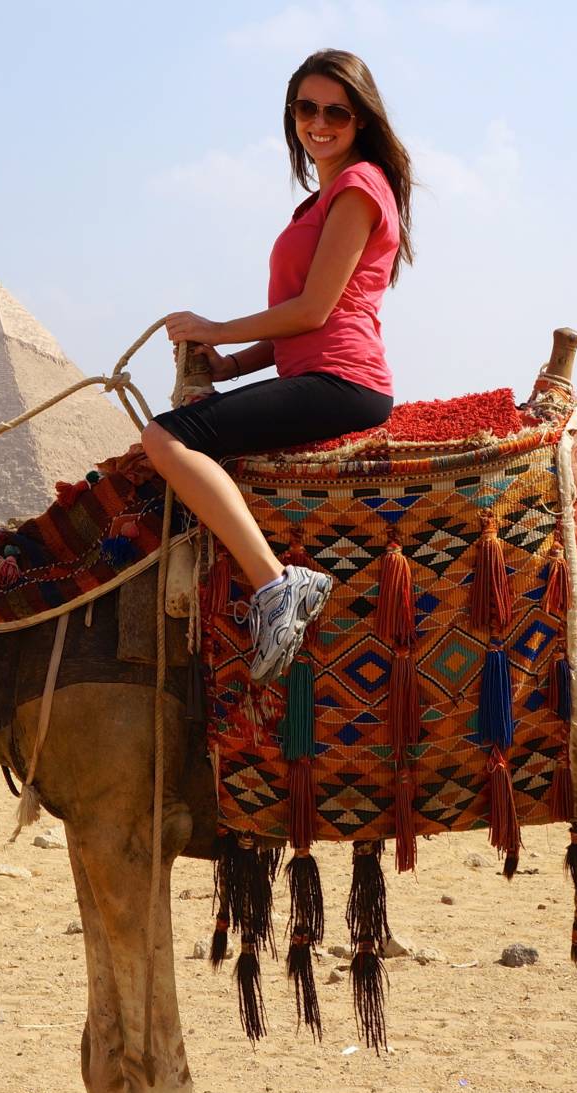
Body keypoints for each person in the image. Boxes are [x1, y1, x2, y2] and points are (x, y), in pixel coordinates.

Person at [143, 48, 415, 682]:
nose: (319, 122)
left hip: (344, 382)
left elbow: (314, 311)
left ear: (362, 120)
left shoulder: (358, 188)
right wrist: (228, 362)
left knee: (165, 437)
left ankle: (277, 587)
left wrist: (214, 326)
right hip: (316, 375)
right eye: (306, 107)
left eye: (336, 112)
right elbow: (299, 321)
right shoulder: (316, 203)